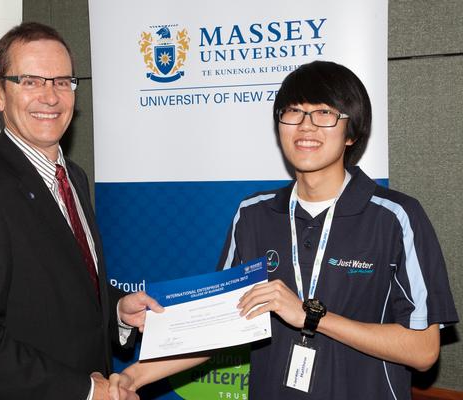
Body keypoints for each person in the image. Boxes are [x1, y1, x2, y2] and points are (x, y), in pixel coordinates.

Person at [108, 61, 458, 400]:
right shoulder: (253, 214)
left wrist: (310, 317)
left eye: (324, 113)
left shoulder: (396, 216)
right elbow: (220, 326)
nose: (306, 126)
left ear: (351, 132)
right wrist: (132, 376)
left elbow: (423, 350)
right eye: (293, 112)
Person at [0, 22, 161, 400]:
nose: (50, 97)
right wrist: (85, 391)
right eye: (31, 81)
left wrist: (117, 308)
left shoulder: (74, 177)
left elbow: (59, 291)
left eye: (61, 81)